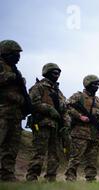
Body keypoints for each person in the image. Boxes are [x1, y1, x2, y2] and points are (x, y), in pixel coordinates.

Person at [26, 63, 70, 182]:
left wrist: (66, 124)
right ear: (47, 72)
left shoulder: (58, 91)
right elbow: (32, 103)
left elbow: (65, 109)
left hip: (56, 126)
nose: (57, 75)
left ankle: (51, 178)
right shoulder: (39, 87)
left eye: (59, 73)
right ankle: (32, 177)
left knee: (54, 154)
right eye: (54, 72)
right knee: (39, 152)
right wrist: (49, 109)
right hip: (42, 124)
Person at [65, 75, 99, 182]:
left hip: (94, 134)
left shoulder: (97, 100)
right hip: (80, 133)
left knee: (92, 160)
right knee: (76, 157)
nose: (97, 86)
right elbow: (68, 106)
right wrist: (80, 116)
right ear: (87, 84)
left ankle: (91, 179)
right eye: (94, 84)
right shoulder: (78, 96)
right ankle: (70, 178)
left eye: (98, 84)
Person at [0, 40, 29, 182]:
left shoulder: (15, 70)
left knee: (11, 147)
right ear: (5, 52)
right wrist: (13, 77)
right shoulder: (3, 67)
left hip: (15, 114)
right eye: (15, 54)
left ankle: (7, 174)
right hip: (2, 112)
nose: (18, 57)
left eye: (19, 54)